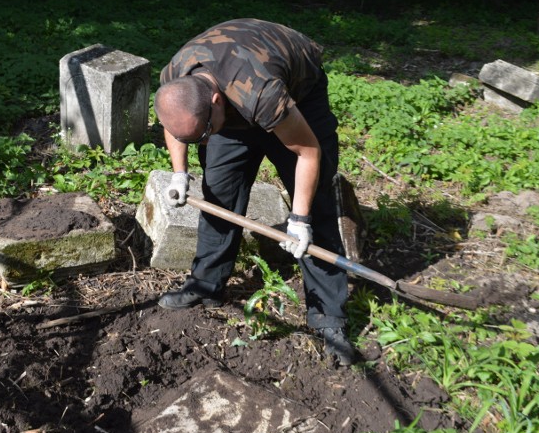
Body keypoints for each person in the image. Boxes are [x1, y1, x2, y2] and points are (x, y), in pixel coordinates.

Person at [153, 18, 379, 366]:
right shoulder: (176, 80)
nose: (204, 142)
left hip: (297, 98)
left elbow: (308, 152)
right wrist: (180, 174)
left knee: (315, 203)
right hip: (230, 105)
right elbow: (177, 127)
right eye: (198, 137)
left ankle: (327, 315)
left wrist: (299, 218)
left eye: (205, 132)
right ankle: (205, 286)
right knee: (218, 195)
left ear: (215, 101)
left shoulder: (261, 93)